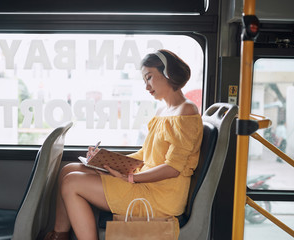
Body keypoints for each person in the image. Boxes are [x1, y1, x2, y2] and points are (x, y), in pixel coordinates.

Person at [44, 49, 203, 240]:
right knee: (67, 170)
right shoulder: (164, 110)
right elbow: (147, 154)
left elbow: (173, 168)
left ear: (168, 74)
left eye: (149, 78)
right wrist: (105, 161)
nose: (147, 87)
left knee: (72, 184)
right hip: (147, 183)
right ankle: (59, 235)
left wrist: (131, 179)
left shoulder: (186, 112)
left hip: (161, 195)